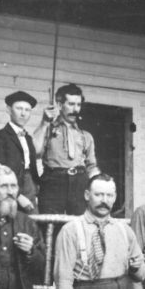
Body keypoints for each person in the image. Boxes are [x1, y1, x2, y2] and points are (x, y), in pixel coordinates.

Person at [33, 83, 99, 214]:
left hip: (79, 183)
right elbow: (36, 152)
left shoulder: (85, 135)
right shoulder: (47, 129)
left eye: (78, 105)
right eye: (71, 104)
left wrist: (99, 185)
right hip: (53, 183)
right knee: (50, 227)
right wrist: (44, 122)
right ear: (59, 104)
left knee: (78, 226)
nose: (76, 109)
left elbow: (91, 167)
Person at [0, 90, 40, 213]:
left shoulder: (28, 138)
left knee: (30, 226)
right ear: (9, 110)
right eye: (19, 109)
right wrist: (18, 196)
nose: (23, 114)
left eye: (27, 110)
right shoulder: (0, 137)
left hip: (29, 187)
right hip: (8, 189)